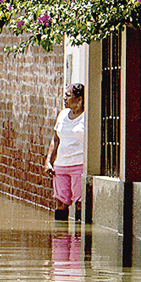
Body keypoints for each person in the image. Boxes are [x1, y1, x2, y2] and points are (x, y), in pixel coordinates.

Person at [45, 83, 86, 221]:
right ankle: (60, 238)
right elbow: (55, 140)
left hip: (78, 165)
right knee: (60, 202)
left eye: (68, 95)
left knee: (80, 203)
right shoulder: (62, 115)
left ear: (79, 99)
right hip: (61, 165)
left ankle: (78, 240)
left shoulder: (86, 118)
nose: (64, 98)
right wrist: (48, 161)